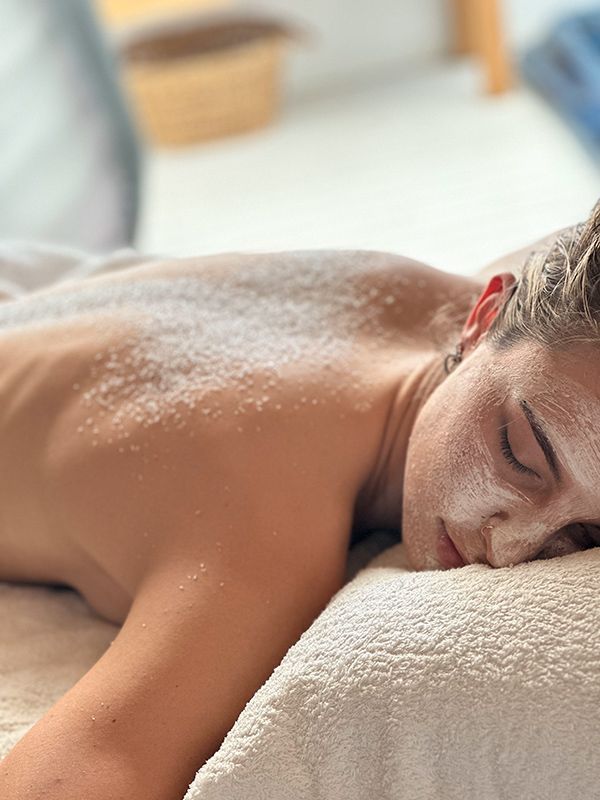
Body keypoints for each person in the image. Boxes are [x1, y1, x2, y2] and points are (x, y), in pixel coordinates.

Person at [1, 204, 599, 798]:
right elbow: (89, 766)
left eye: (586, 536)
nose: (514, 546)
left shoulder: (537, 319)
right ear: (484, 317)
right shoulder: (267, 523)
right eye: (520, 456)